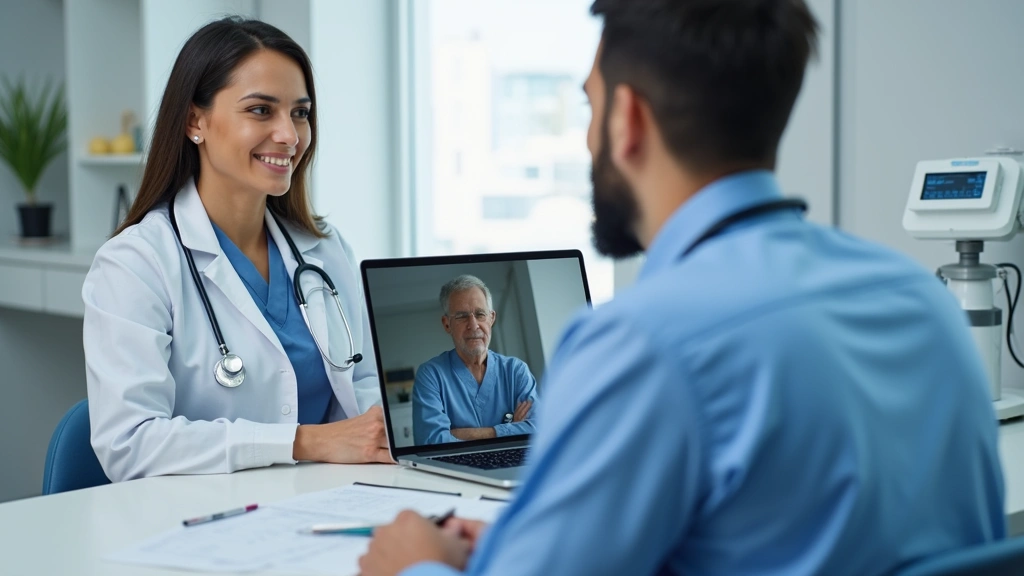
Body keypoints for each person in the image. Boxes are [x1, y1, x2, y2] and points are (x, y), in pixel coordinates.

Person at [358, 1, 1005, 575]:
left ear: (627, 119)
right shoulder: (923, 302)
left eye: (590, 104)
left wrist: (416, 565)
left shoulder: (642, 344)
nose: (587, 136)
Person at [83, 17, 391, 483]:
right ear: (195, 121)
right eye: (262, 111)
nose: (290, 135)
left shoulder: (324, 250)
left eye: (300, 113)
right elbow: (131, 442)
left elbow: (363, 387)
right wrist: (306, 442)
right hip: (205, 519)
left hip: (331, 499)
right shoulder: (136, 264)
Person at [412, 275, 538, 444]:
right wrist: (510, 429)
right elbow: (433, 441)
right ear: (447, 324)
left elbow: (538, 429)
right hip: (455, 468)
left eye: (480, 314)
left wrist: (463, 434)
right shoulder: (431, 375)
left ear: (491, 318)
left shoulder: (516, 371)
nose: (473, 325)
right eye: (462, 316)